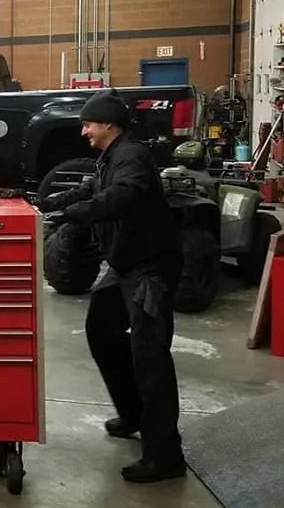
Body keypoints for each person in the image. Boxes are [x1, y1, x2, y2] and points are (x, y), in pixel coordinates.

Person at [42, 89, 186, 483]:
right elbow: (94, 188)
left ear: (108, 124)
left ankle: (164, 455)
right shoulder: (110, 158)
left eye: (88, 123)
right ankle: (134, 414)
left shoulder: (133, 157)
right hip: (124, 267)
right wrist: (51, 202)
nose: (84, 131)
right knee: (101, 330)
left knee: (150, 357)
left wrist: (74, 215)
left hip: (149, 270)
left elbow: (124, 195)